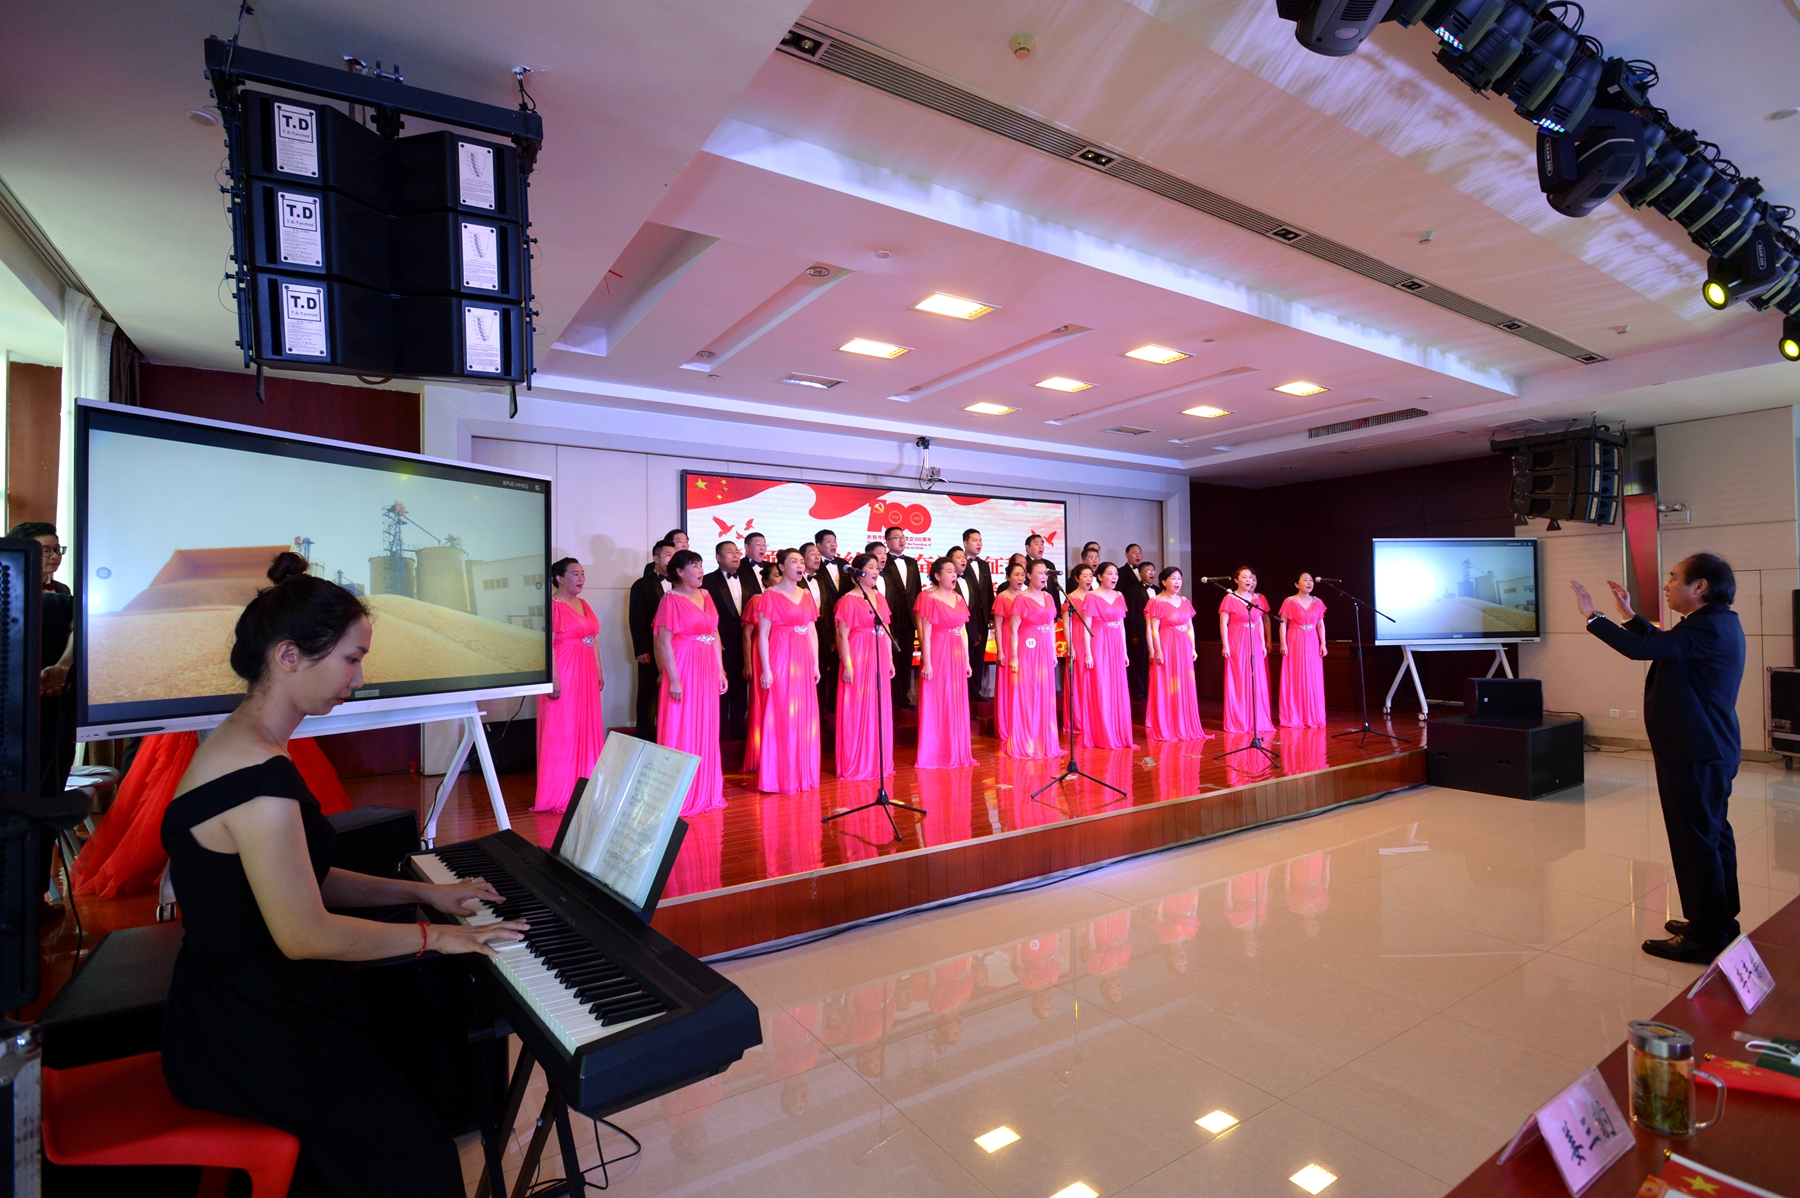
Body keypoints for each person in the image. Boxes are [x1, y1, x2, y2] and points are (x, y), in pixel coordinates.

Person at [160, 551, 523, 1198]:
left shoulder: (245, 743)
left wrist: (427, 893)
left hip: (240, 1000)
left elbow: (303, 877)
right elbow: (304, 933)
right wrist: (440, 937)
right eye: (351, 659)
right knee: (421, 1164)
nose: (358, 677)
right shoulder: (258, 778)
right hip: (248, 1025)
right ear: (289, 656)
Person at [1574, 556, 1747, 963]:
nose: (1667, 585)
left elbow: (1642, 649)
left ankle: (1707, 935)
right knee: (1711, 836)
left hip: (1695, 751)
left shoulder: (1706, 626)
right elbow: (1661, 643)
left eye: (1674, 578)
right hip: (1705, 749)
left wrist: (1593, 616)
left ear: (1700, 586)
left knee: (1696, 841)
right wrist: (1629, 615)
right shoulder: (1715, 622)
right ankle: (1718, 921)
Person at [10, 521, 76, 921]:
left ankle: (34, 898)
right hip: (16, 721)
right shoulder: (10, 595)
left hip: (56, 715)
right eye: (44, 550)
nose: (53, 557)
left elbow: (83, 625)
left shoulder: (63, 595)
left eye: (56, 549)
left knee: (48, 804)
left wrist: (63, 666)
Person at [654, 550, 728, 816]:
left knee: (706, 724)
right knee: (682, 724)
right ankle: (680, 793)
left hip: (707, 666)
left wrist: (720, 670)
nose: (699, 571)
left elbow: (714, 633)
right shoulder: (670, 600)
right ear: (679, 572)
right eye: (693, 566)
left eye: (700, 565)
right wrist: (673, 679)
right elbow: (664, 643)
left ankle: (705, 789)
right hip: (684, 666)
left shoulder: (706, 595)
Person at [535, 557, 606, 813]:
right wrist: (552, 678)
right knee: (563, 727)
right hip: (564, 671)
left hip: (586, 671)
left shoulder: (584, 604)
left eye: (582, 573)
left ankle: (586, 787)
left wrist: (598, 670)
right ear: (559, 578)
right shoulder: (554, 605)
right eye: (575, 574)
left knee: (584, 724)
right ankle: (560, 791)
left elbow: (592, 639)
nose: (581, 578)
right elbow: (546, 645)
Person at [757, 549, 821, 793]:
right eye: (794, 561)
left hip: (803, 658)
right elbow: (763, 635)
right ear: (782, 567)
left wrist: (815, 663)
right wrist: (766, 668)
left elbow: (812, 631)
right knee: (783, 712)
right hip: (781, 655)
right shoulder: (771, 595)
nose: (800, 565)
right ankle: (781, 775)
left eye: (801, 561)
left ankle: (802, 772)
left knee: (804, 715)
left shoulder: (806, 594)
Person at [835, 553, 895, 780]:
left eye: (876, 567)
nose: (875, 571)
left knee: (878, 705)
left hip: (879, 653)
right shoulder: (848, 600)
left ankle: (878, 760)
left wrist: (890, 659)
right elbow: (842, 635)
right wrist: (847, 665)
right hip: (858, 653)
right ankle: (858, 760)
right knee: (859, 704)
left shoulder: (879, 597)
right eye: (870, 567)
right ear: (858, 573)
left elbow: (887, 630)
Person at [915, 557, 977, 769]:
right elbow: (925, 632)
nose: (953, 574)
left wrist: (967, 660)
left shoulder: (958, 598)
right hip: (938, 650)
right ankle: (936, 751)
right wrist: (927, 661)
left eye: (954, 571)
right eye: (949, 571)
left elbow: (963, 631)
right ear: (937, 575)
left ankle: (956, 749)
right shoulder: (927, 597)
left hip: (957, 652)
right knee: (938, 697)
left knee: (955, 698)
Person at [1007, 561, 1061, 759]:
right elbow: (1013, 629)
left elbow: (1051, 625)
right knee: (1029, 691)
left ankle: (1044, 740)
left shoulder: (1049, 597)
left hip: (1045, 647)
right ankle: (1027, 740)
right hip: (1028, 647)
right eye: (1040, 573)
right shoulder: (1021, 599)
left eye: (1046, 573)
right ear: (1029, 575)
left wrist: (1053, 652)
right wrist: (1014, 657)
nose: (1044, 576)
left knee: (1045, 692)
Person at [1081, 563, 1137, 749]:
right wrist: (1088, 653)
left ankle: (1118, 732)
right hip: (1099, 643)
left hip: (1116, 645)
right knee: (1102, 686)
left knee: (1117, 687)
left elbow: (1121, 625)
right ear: (1099, 576)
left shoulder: (1119, 596)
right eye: (1110, 574)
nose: (1114, 577)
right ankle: (1103, 734)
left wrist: (1124, 651)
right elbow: (1086, 627)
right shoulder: (1092, 597)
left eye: (1116, 574)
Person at [1145, 568, 1205, 741]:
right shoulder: (1157, 602)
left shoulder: (1185, 601)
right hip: (1167, 644)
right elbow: (1153, 629)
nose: (1177, 582)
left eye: (1179, 578)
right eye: (1173, 578)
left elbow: (1190, 626)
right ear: (1164, 582)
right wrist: (1157, 650)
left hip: (1183, 646)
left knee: (1184, 683)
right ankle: (1167, 724)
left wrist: (1192, 648)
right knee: (1167, 683)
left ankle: (1184, 723)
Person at [1218, 566, 1274, 734]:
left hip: (1254, 639)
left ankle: (1256, 720)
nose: (1248, 580)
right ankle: (1239, 719)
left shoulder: (1256, 599)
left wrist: (1263, 643)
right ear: (1236, 580)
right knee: (1240, 677)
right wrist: (1225, 644)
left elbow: (1259, 621)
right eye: (1244, 577)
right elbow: (1223, 623)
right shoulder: (1229, 598)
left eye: (1250, 577)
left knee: (1256, 678)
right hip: (1237, 639)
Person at [629, 541, 675, 741]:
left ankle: (670, 734)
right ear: (656, 558)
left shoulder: (683, 583)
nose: (672, 559)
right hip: (650, 647)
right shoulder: (641, 585)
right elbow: (636, 619)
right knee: (648, 694)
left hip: (678, 648)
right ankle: (645, 736)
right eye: (668, 555)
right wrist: (640, 649)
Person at [703, 540, 749, 740]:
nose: (735, 555)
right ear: (718, 558)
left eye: (737, 552)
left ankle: (738, 727)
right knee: (719, 687)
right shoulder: (707, 581)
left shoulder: (748, 579)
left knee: (740, 687)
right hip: (719, 644)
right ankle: (719, 729)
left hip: (744, 643)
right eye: (729, 552)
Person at [740, 563, 779, 773]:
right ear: (765, 581)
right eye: (776, 575)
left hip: (782, 652)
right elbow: (747, 634)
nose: (780, 578)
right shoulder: (757, 600)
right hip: (760, 653)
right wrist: (748, 662)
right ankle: (761, 752)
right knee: (762, 700)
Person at [1278, 573, 1329, 728]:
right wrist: (1283, 643)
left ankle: (1312, 715)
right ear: (1296, 584)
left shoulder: (1318, 602)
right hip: (1294, 640)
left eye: (1311, 580)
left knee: (1312, 676)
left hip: (1312, 640)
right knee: (1295, 676)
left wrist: (1323, 643)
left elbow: (1320, 624)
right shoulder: (1289, 601)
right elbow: (1282, 623)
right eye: (1305, 580)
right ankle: (1294, 715)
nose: (1309, 582)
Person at [882, 526, 923, 709]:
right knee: (891, 659)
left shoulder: (912, 563)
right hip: (891, 618)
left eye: (903, 537)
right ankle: (891, 697)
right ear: (887, 541)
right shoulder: (883, 562)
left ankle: (904, 696)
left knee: (906, 659)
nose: (901, 540)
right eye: (896, 537)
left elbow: (917, 591)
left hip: (909, 619)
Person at [991, 562, 1027, 743]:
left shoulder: (1028, 596)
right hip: (1006, 639)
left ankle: (1023, 723)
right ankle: (1007, 724)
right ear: (1007, 577)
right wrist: (1000, 651)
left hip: (1025, 640)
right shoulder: (1002, 598)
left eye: (1022, 574)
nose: (1020, 578)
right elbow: (997, 626)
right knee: (1009, 681)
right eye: (1016, 575)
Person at [802, 542, 838, 714]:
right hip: (802, 637)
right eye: (812, 554)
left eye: (818, 554)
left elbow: (829, 610)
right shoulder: (795, 583)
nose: (817, 558)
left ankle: (821, 716)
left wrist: (832, 638)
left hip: (823, 637)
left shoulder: (822, 581)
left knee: (822, 676)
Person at [1064, 563, 1096, 735]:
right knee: (1078, 679)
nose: (1089, 579)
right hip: (1077, 638)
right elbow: (1066, 624)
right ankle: (1078, 721)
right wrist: (1071, 646)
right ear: (1077, 578)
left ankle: (1093, 718)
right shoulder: (1070, 598)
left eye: (1091, 576)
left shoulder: (1095, 596)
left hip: (1093, 640)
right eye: (1085, 576)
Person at [961, 529, 992, 705]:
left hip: (982, 617)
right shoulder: (960, 564)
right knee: (967, 653)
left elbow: (988, 591)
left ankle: (976, 689)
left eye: (980, 540)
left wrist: (991, 616)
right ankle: (964, 690)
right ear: (965, 543)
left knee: (979, 656)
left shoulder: (985, 565)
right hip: (966, 617)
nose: (979, 543)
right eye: (975, 540)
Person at [1120, 543, 1150, 703]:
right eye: (1134, 552)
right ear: (1126, 554)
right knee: (1136, 662)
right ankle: (1137, 691)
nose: (1138, 555)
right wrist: (1132, 632)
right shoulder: (1121, 573)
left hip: (1150, 629)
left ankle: (1149, 689)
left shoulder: (1155, 588)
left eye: (1140, 552)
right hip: (1134, 626)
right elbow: (1129, 609)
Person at [1025, 534, 1064, 614]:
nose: (1040, 547)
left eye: (1042, 544)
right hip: (1031, 609)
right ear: (1028, 548)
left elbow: (1055, 589)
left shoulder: (1049, 565)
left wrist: (1058, 612)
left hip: (1049, 609)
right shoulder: (1024, 564)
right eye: (1037, 544)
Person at [738, 532, 769, 601]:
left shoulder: (770, 566)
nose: (762, 548)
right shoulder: (738, 566)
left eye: (764, 545)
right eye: (758, 544)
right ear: (747, 547)